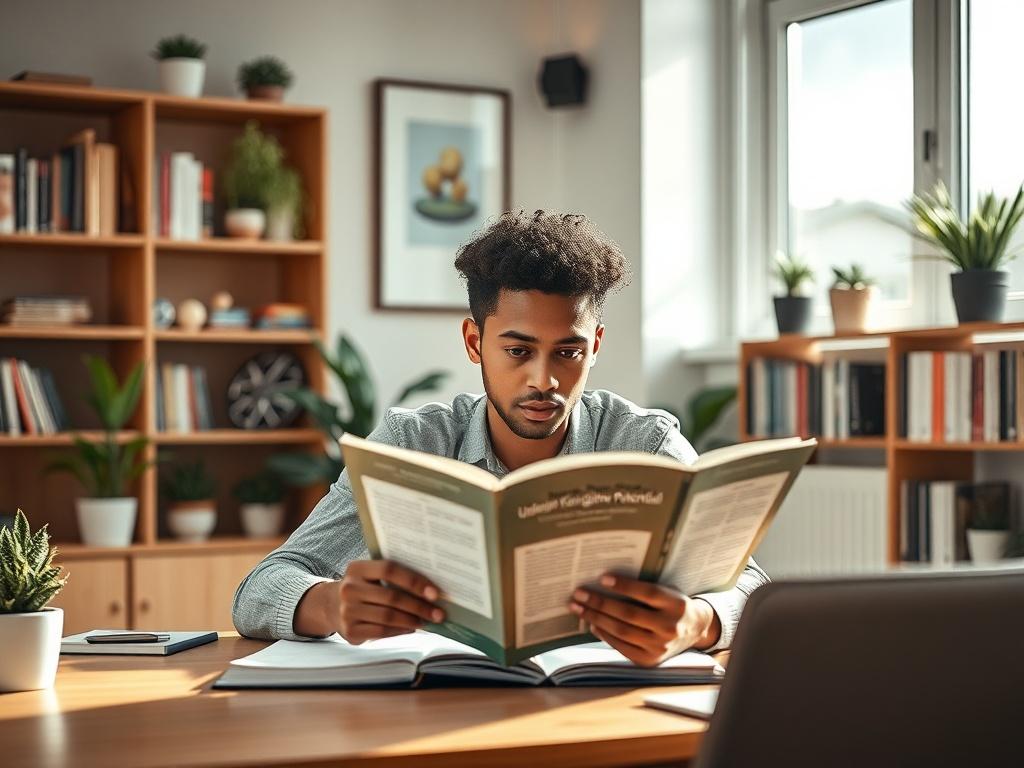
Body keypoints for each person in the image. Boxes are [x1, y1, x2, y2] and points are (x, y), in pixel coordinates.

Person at [232, 210, 768, 666]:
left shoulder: (646, 444)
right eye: (518, 351)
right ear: (474, 341)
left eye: (569, 352)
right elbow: (260, 587)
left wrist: (699, 622)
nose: (544, 380)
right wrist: (332, 604)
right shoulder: (410, 443)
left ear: (596, 346)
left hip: (601, 706)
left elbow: (751, 584)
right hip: (441, 705)